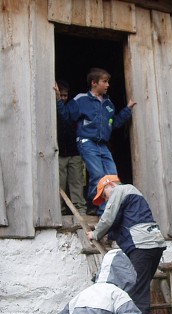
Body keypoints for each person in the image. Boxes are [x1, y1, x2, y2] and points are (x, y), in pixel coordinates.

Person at [87, 175, 166, 314]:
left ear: (110, 185)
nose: (106, 200)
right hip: (151, 244)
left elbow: (108, 218)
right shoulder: (131, 200)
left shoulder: (121, 190)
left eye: (104, 195)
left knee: (137, 292)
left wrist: (95, 233)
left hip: (141, 246)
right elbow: (117, 225)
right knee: (139, 288)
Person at [54, 68, 137, 215]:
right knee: (98, 174)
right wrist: (59, 100)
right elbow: (66, 117)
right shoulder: (81, 100)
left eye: (108, 82)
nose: (107, 85)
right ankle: (99, 208)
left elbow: (115, 123)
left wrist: (127, 109)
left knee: (112, 176)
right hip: (86, 142)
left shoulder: (108, 104)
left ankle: (101, 205)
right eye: (104, 82)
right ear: (94, 83)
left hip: (103, 145)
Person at [56, 80, 86, 215]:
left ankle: (79, 210)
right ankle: (59, 210)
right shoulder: (51, 110)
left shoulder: (73, 108)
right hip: (60, 152)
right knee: (59, 183)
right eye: (60, 95)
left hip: (74, 151)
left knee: (77, 182)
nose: (62, 98)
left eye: (65, 96)